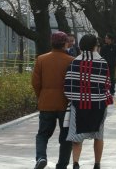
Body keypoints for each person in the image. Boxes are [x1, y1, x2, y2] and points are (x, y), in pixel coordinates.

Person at [64, 35, 113, 169]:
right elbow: (107, 84)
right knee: (98, 135)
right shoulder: (102, 63)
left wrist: (74, 98)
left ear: (80, 46)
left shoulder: (74, 62)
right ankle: (97, 164)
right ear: (95, 46)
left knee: (77, 136)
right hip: (98, 105)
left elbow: (68, 85)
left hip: (78, 104)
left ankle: (75, 163)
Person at [31, 32, 75, 169]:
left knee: (42, 134)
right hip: (65, 104)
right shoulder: (71, 60)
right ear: (65, 43)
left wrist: (42, 96)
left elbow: (35, 83)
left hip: (46, 103)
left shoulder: (41, 59)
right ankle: (62, 165)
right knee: (66, 136)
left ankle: (41, 157)